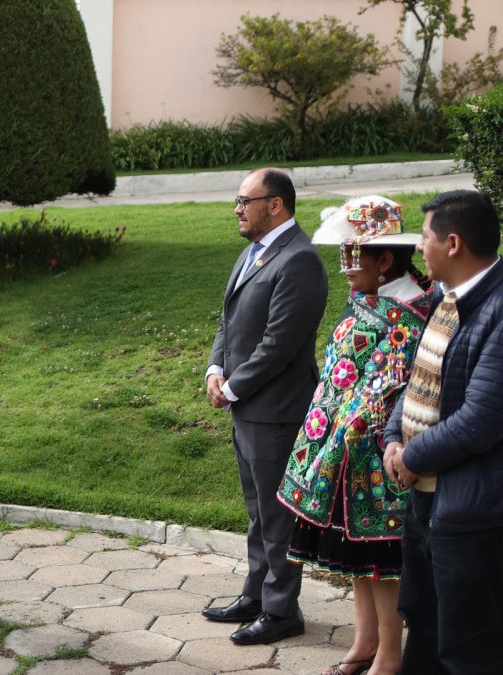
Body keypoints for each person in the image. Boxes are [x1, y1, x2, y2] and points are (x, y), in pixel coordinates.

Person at [277, 196, 432, 675]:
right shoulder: (374, 302)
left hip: (381, 457)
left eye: (352, 257)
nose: (344, 268)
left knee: (383, 561)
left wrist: (347, 433)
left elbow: (388, 387)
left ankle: (389, 654)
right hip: (346, 453)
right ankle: (364, 642)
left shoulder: (409, 313)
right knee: (360, 557)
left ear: (385, 260)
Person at [203, 168, 328, 645]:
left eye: (244, 200)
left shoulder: (298, 260)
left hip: (276, 411)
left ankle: (282, 612)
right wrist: (215, 371)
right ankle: (255, 596)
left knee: (278, 518)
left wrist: (232, 388)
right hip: (247, 408)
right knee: (257, 512)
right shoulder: (253, 252)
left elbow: (279, 345)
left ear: (275, 205)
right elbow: (227, 321)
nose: (237, 208)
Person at [382, 189, 503, 674]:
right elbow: (419, 381)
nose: (418, 250)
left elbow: (482, 419)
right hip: (427, 503)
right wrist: (394, 438)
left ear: (452, 243)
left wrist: (410, 458)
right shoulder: (445, 299)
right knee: (427, 627)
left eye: (425, 238)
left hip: (472, 515)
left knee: (469, 648)